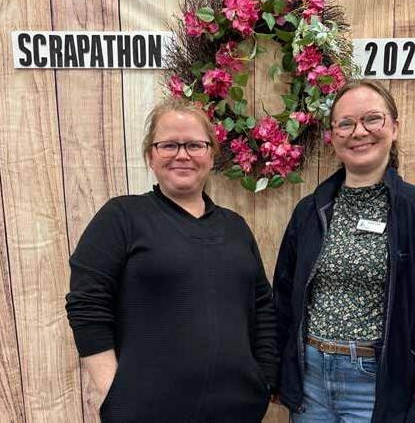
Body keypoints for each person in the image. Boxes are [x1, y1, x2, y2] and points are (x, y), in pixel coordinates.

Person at [65, 99, 278, 422]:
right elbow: (87, 304)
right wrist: (115, 393)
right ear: (150, 156)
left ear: (211, 155)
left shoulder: (235, 227)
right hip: (146, 412)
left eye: (194, 145)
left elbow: (262, 307)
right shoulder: (122, 217)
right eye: (168, 145)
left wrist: (264, 380)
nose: (182, 155)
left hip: (237, 410)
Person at [273, 79, 415, 422]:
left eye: (372, 119)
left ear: (394, 127)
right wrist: (278, 375)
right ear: (333, 137)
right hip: (311, 384)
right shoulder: (310, 212)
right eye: (345, 124)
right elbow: (283, 299)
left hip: (377, 389)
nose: (359, 132)